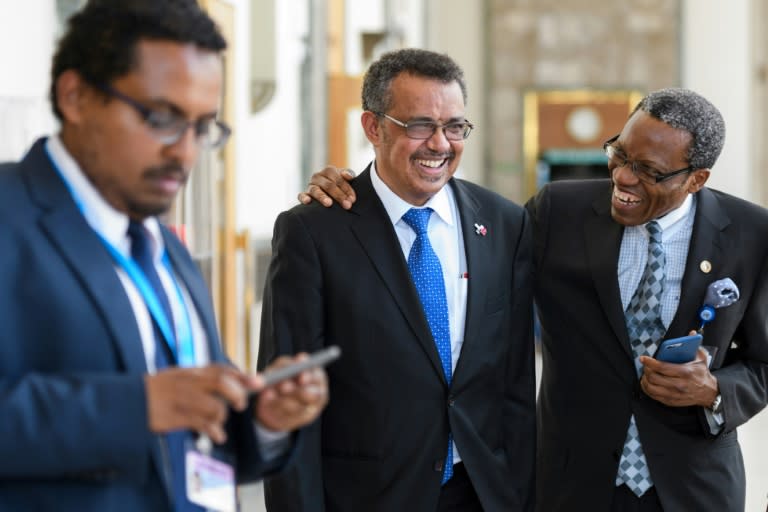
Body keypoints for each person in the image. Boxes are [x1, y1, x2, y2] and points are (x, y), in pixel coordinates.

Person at [304, 87, 768, 511]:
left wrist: (714, 391)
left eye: (648, 171)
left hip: (695, 489)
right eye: (619, 153)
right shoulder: (557, 212)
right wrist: (362, 194)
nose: (623, 177)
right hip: (571, 487)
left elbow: (762, 364)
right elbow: (462, 243)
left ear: (696, 179)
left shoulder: (751, 234)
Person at [0, 1, 327, 511]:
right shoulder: (10, 219)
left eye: (202, 128)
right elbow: (151, 407)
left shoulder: (163, 246)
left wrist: (261, 421)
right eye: (162, 119)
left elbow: (192, 436)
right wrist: (138, 406)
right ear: (76, 96)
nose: (185, 152)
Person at [258, 48, 536, 511]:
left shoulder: (504, 225)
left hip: (481, 493)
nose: (441, 144)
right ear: (373, 127)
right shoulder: (314, 232)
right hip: (366, 497)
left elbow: (515, 389)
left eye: (454, 127)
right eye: (420, 125)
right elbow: (286, 405)